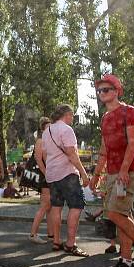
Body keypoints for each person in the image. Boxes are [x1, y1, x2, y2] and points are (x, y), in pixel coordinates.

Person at [88, 74, 134, 267]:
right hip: (113, 172)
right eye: (99, 91)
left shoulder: (129, 111)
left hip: (129, 170)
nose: (102, 93)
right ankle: (125, 263)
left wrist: (124, 170)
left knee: (114, 213)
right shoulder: (105, 118)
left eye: (106, 89)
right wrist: (96, 175)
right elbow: (105, 149)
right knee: (123, 214)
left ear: (117, 91)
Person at [43, 105, 90, 257]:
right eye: (72, 116)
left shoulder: (47, 131)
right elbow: (72, 154)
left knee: (56, 207)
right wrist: (83, 173)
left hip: (52, 174)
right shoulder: (66, 130)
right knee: (76, 206)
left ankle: (56, 241)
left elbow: (45, 154)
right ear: (67, 115)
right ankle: (70, 243)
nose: (73, 119)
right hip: (67, 173)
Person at [28, 118, 53, 244]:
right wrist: (47, 174)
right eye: (48, 127)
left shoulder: (48, 141)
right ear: (43, 129)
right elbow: (38, 160)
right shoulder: (40, 141)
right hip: (45, 176)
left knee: (49, 207)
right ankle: (33, 234)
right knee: (44, 206)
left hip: (49, 175)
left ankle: (51, 234)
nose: (50, 129)